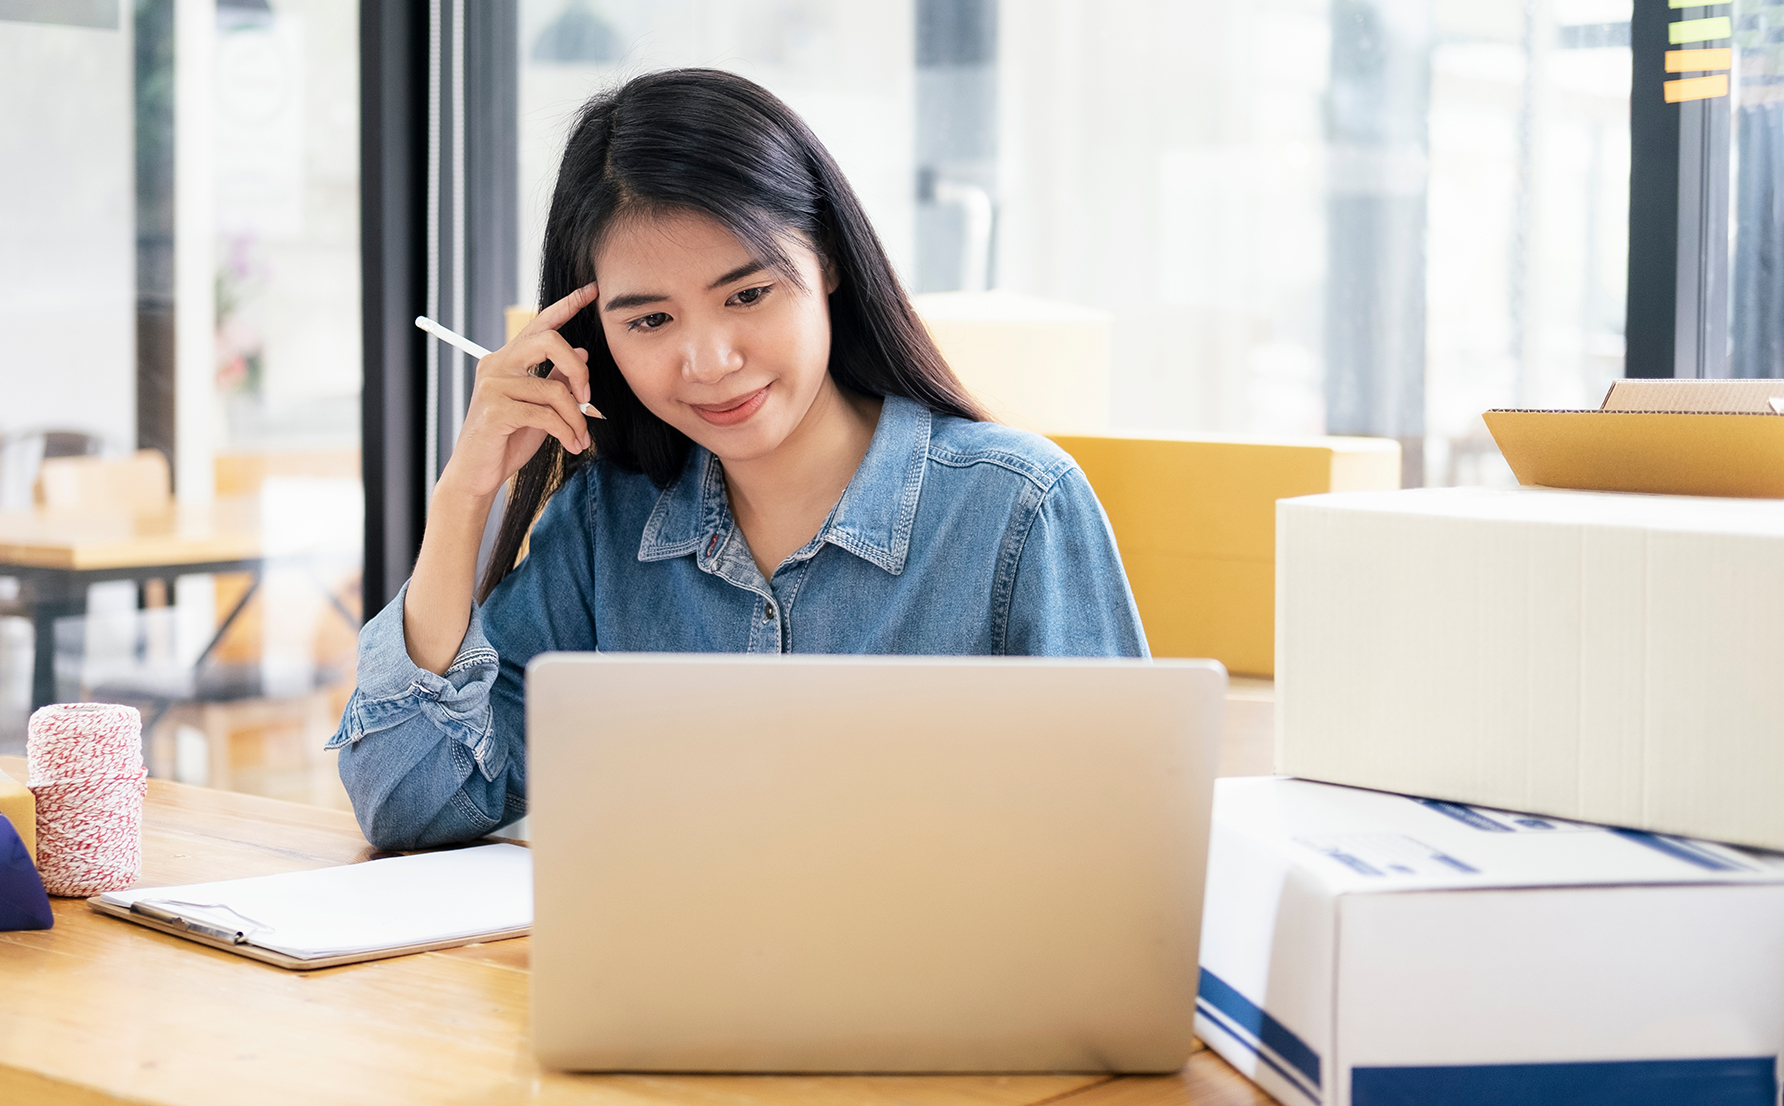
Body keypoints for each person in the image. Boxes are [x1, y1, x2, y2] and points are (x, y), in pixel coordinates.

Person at [329, 68, 1147, 849]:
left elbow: (1123, 845)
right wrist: (463, 497)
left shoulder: (1016, 510)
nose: (710, 360)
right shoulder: (604, 528)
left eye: (747, 295)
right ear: (592, 338)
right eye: (650, 321)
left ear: (824, 259)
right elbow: (413, 801)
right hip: (661, 990)